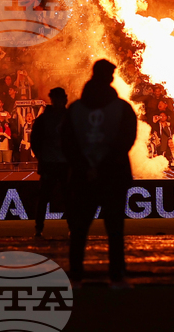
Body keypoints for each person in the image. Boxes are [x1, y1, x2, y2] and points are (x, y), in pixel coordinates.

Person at [61, 60, 136, 288]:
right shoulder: (122, 108)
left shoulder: (75, 109)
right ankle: (116, 273)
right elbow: (126, 140)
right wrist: (105, 165)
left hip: (84, 176)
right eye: (111, 74)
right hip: (113, 176)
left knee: (80, 228)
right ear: (109, 78)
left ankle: (75, 273)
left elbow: (67, 143)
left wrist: (86, 166)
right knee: (115, 228)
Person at [29, 87, 69, 238]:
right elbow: (35, 141)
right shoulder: (53, 118)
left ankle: (39, 229)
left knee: (49, 197)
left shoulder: (65, 117)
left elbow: (35, 140)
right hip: (54, 163)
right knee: (52, 197)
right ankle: (39, 228)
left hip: (58, 163)